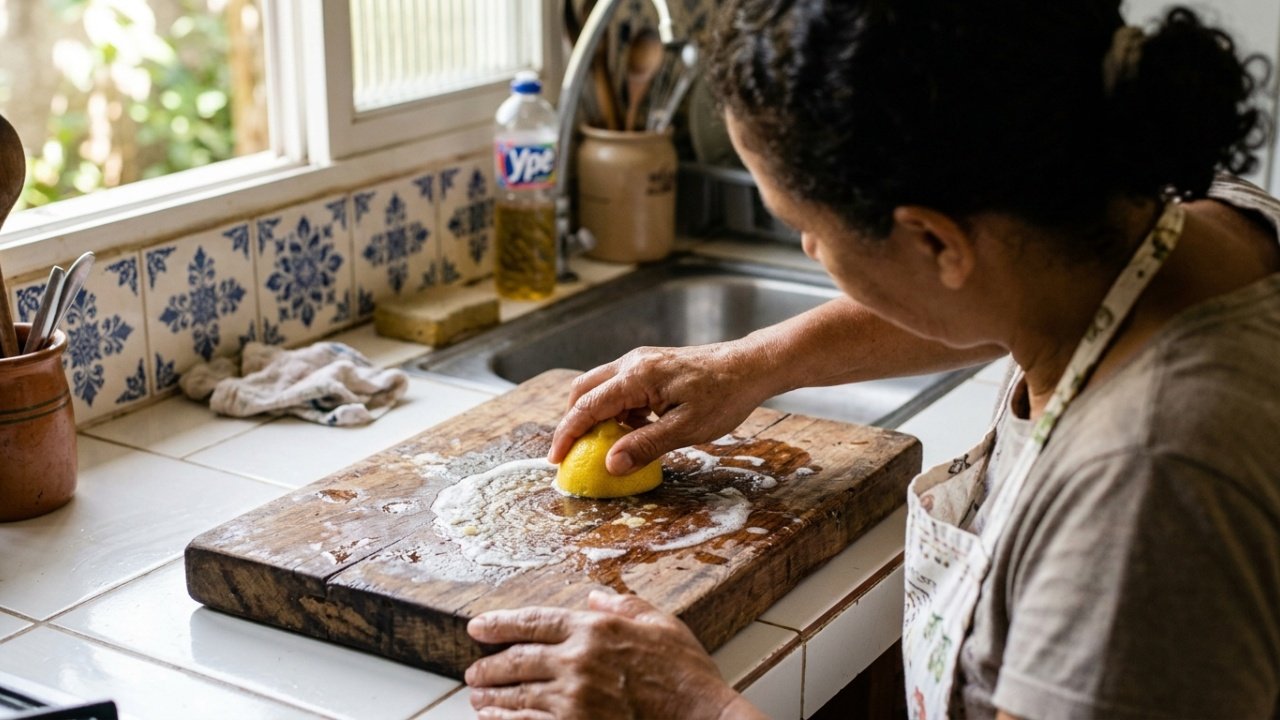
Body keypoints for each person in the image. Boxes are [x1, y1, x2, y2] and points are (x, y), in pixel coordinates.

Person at [464, 1, 1280, 717]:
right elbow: (1000, 289)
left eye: (806, 230)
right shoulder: (1173, 225)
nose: (808, 250)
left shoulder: (1149, 486)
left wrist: (692, 705)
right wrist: (755, 363)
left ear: (931, 239)